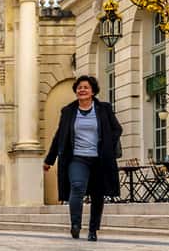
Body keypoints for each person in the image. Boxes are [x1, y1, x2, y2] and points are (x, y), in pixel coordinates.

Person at [43, 74, 121, 240]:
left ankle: (93, 230)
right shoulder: (69, 111)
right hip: (77, 158)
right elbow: (60, 136)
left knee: (97, 194)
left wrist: (107, 145)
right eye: (79, 88)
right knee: (77, 186)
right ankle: (76, 224)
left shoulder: (104, 109)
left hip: (99, 159)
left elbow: (117, 129)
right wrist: (49, 160)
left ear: (92, 91)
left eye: (86, 87)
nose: (82, 90)